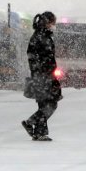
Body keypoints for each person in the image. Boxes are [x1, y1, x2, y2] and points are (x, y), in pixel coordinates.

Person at [21, 11, 62, 141]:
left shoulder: (43, 36)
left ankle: (39, 132)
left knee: (45, 105)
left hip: (45, 76)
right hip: (43, 77)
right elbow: (33, 57)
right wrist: (43, 72)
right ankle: (30, 122)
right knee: (50, 104)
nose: (54, 25)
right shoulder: (40, 37)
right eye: (52, 23)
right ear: (47, 22)